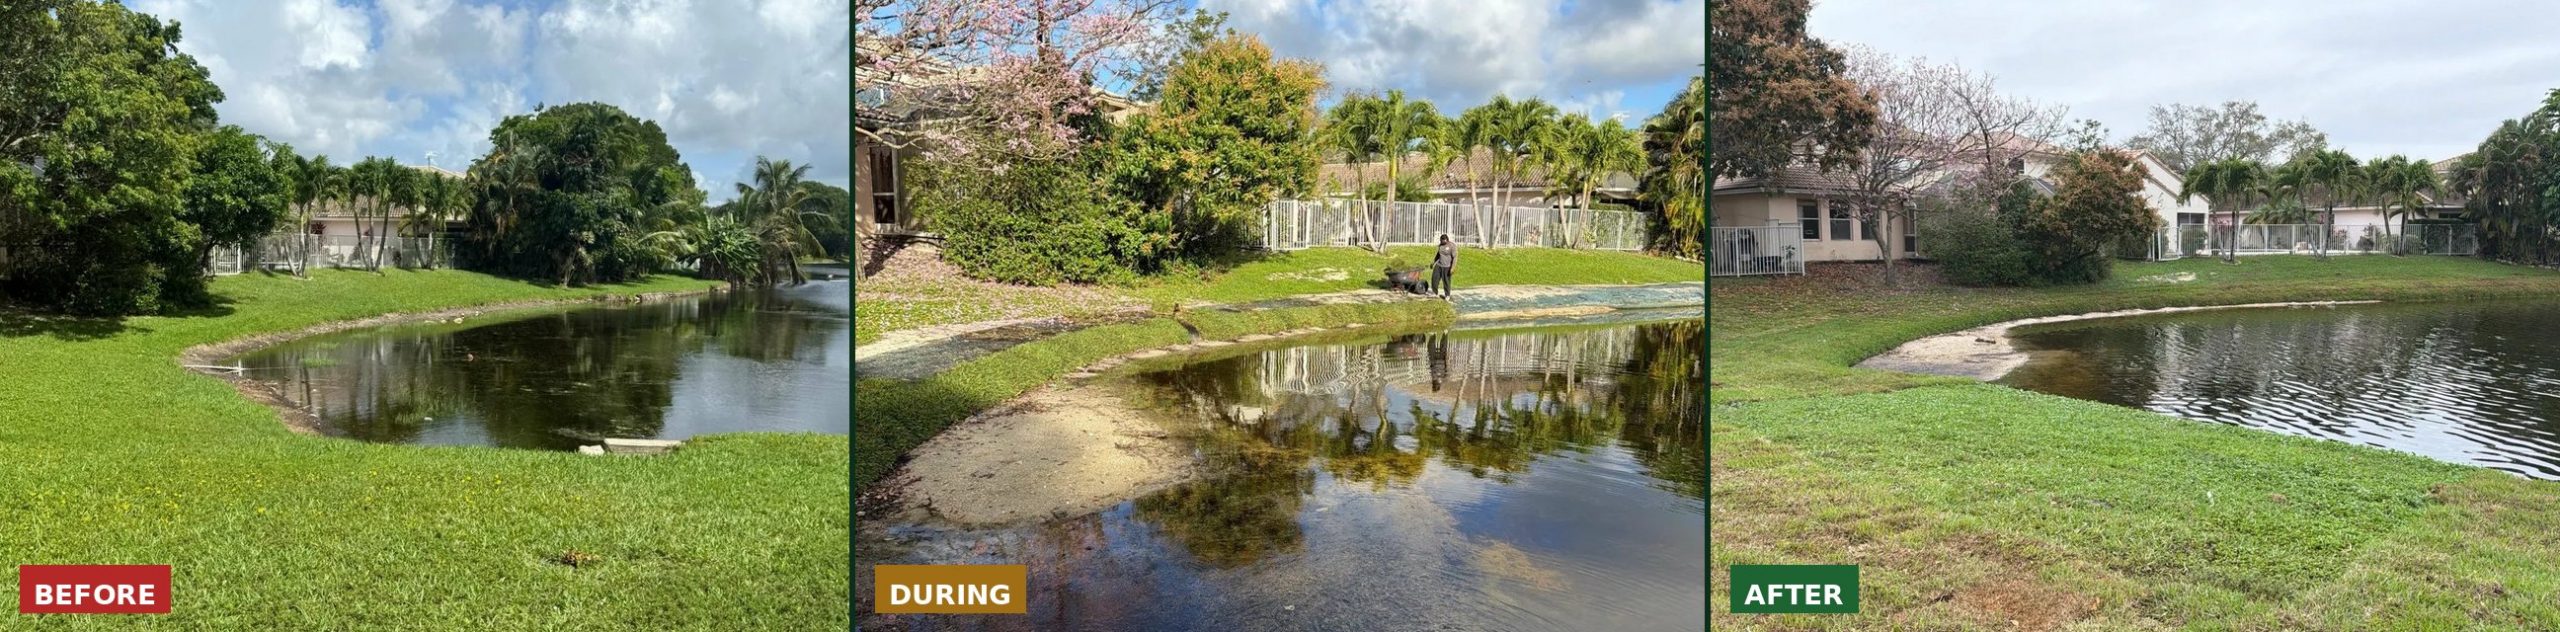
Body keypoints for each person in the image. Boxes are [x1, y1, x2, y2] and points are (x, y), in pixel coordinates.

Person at [1431, 234, 1457, 300]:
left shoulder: (1452, 246)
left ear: (1447, 240)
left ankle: (1447, 295)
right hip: (1439, 265)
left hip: (1447, 267)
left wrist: (1452, 268)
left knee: (1446, 282)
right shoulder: (1440, 245)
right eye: (1441, 241)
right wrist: (1433, 262)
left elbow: (1455, 258)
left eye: (1443, 241)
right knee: (1434, 279)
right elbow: (1438, 255)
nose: (1442, 242)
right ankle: (1435, 293)